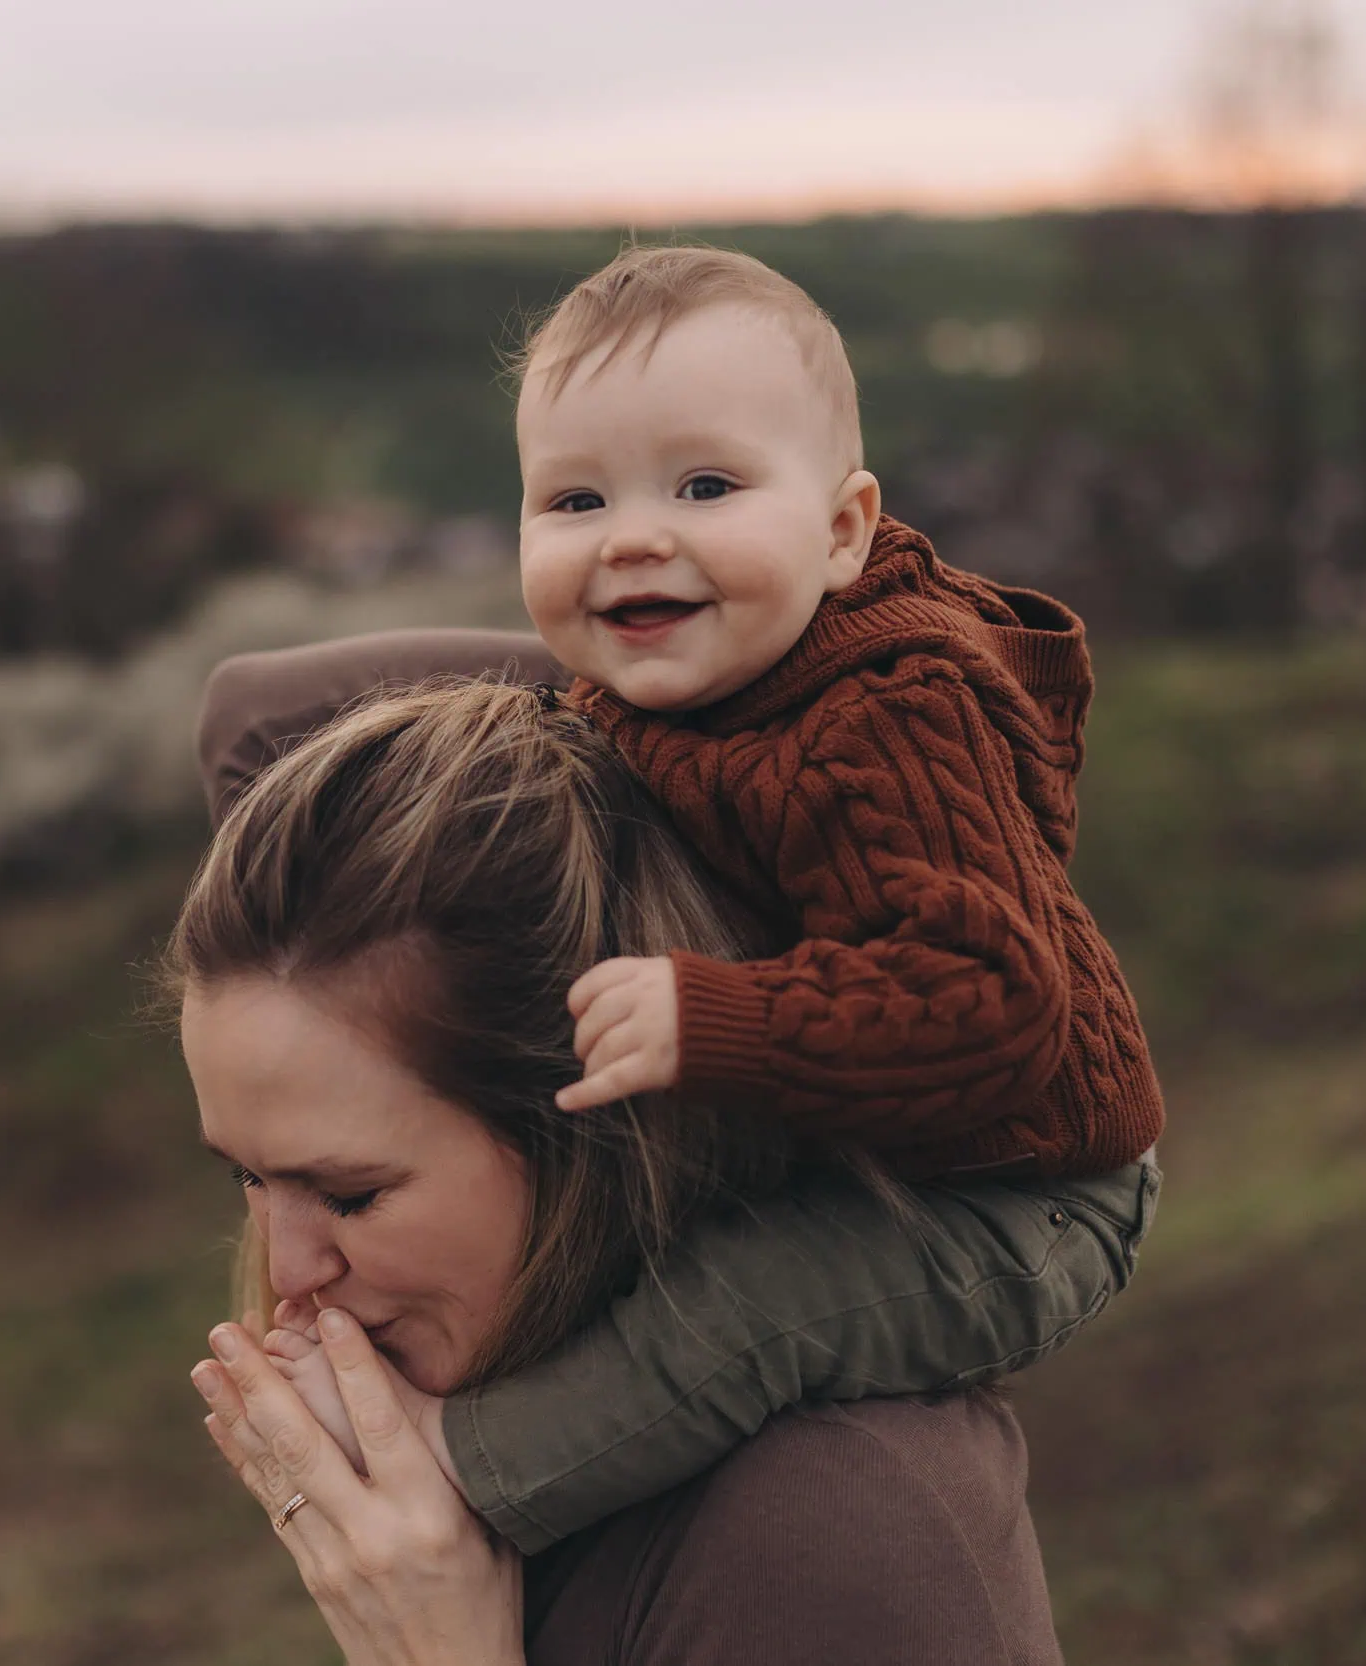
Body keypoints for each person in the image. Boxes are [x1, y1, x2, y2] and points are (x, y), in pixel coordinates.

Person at [186, 242, 1160, 1555]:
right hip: (890, 1088)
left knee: (744, 1308)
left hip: (1013, 1185)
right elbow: (260, 717)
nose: (634, 535)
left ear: (842, 531)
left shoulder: (890, 726)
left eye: (706, 486)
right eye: (574, 500)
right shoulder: (707, 662)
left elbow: (996, 1006)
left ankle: (463, 1475)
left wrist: (720, 1018)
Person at [175, 680, 1069, 1662]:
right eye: (246, 1178)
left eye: (350, 1195)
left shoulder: (828, 1530)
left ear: (595, 1122)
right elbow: (252, 708)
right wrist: (594, 739)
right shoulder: (468, 1447)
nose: (288, 1269)